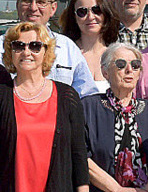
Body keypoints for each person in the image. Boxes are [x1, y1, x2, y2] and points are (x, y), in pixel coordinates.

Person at [0, 22, 89, 191]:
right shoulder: (2, 96)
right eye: (18, 46)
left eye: (35, 46)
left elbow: (78, 154)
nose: (26, 52)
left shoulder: (67, 96)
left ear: (46, 51)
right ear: (10, 53)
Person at [82, 42, 148, 192]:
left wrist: (147, 189)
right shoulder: (88, 107)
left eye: (135, 65)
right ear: (105, 72)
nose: (129, 70)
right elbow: (80, 156)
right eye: (121, 64)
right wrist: (116, 189)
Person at [0, 0, 98, 98]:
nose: (33, 8)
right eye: (27, 1)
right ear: (17, 4)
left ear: (53, 8)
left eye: (41, 2)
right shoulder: (0, 47)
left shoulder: (68, 48)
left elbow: (86, 96)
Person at [59, 0, 120, 93]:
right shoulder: (65, 55)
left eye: (97, 10)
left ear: (106, 12)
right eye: (82, 12)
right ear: (74, 17)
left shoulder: (117, 55)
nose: (90, 17)